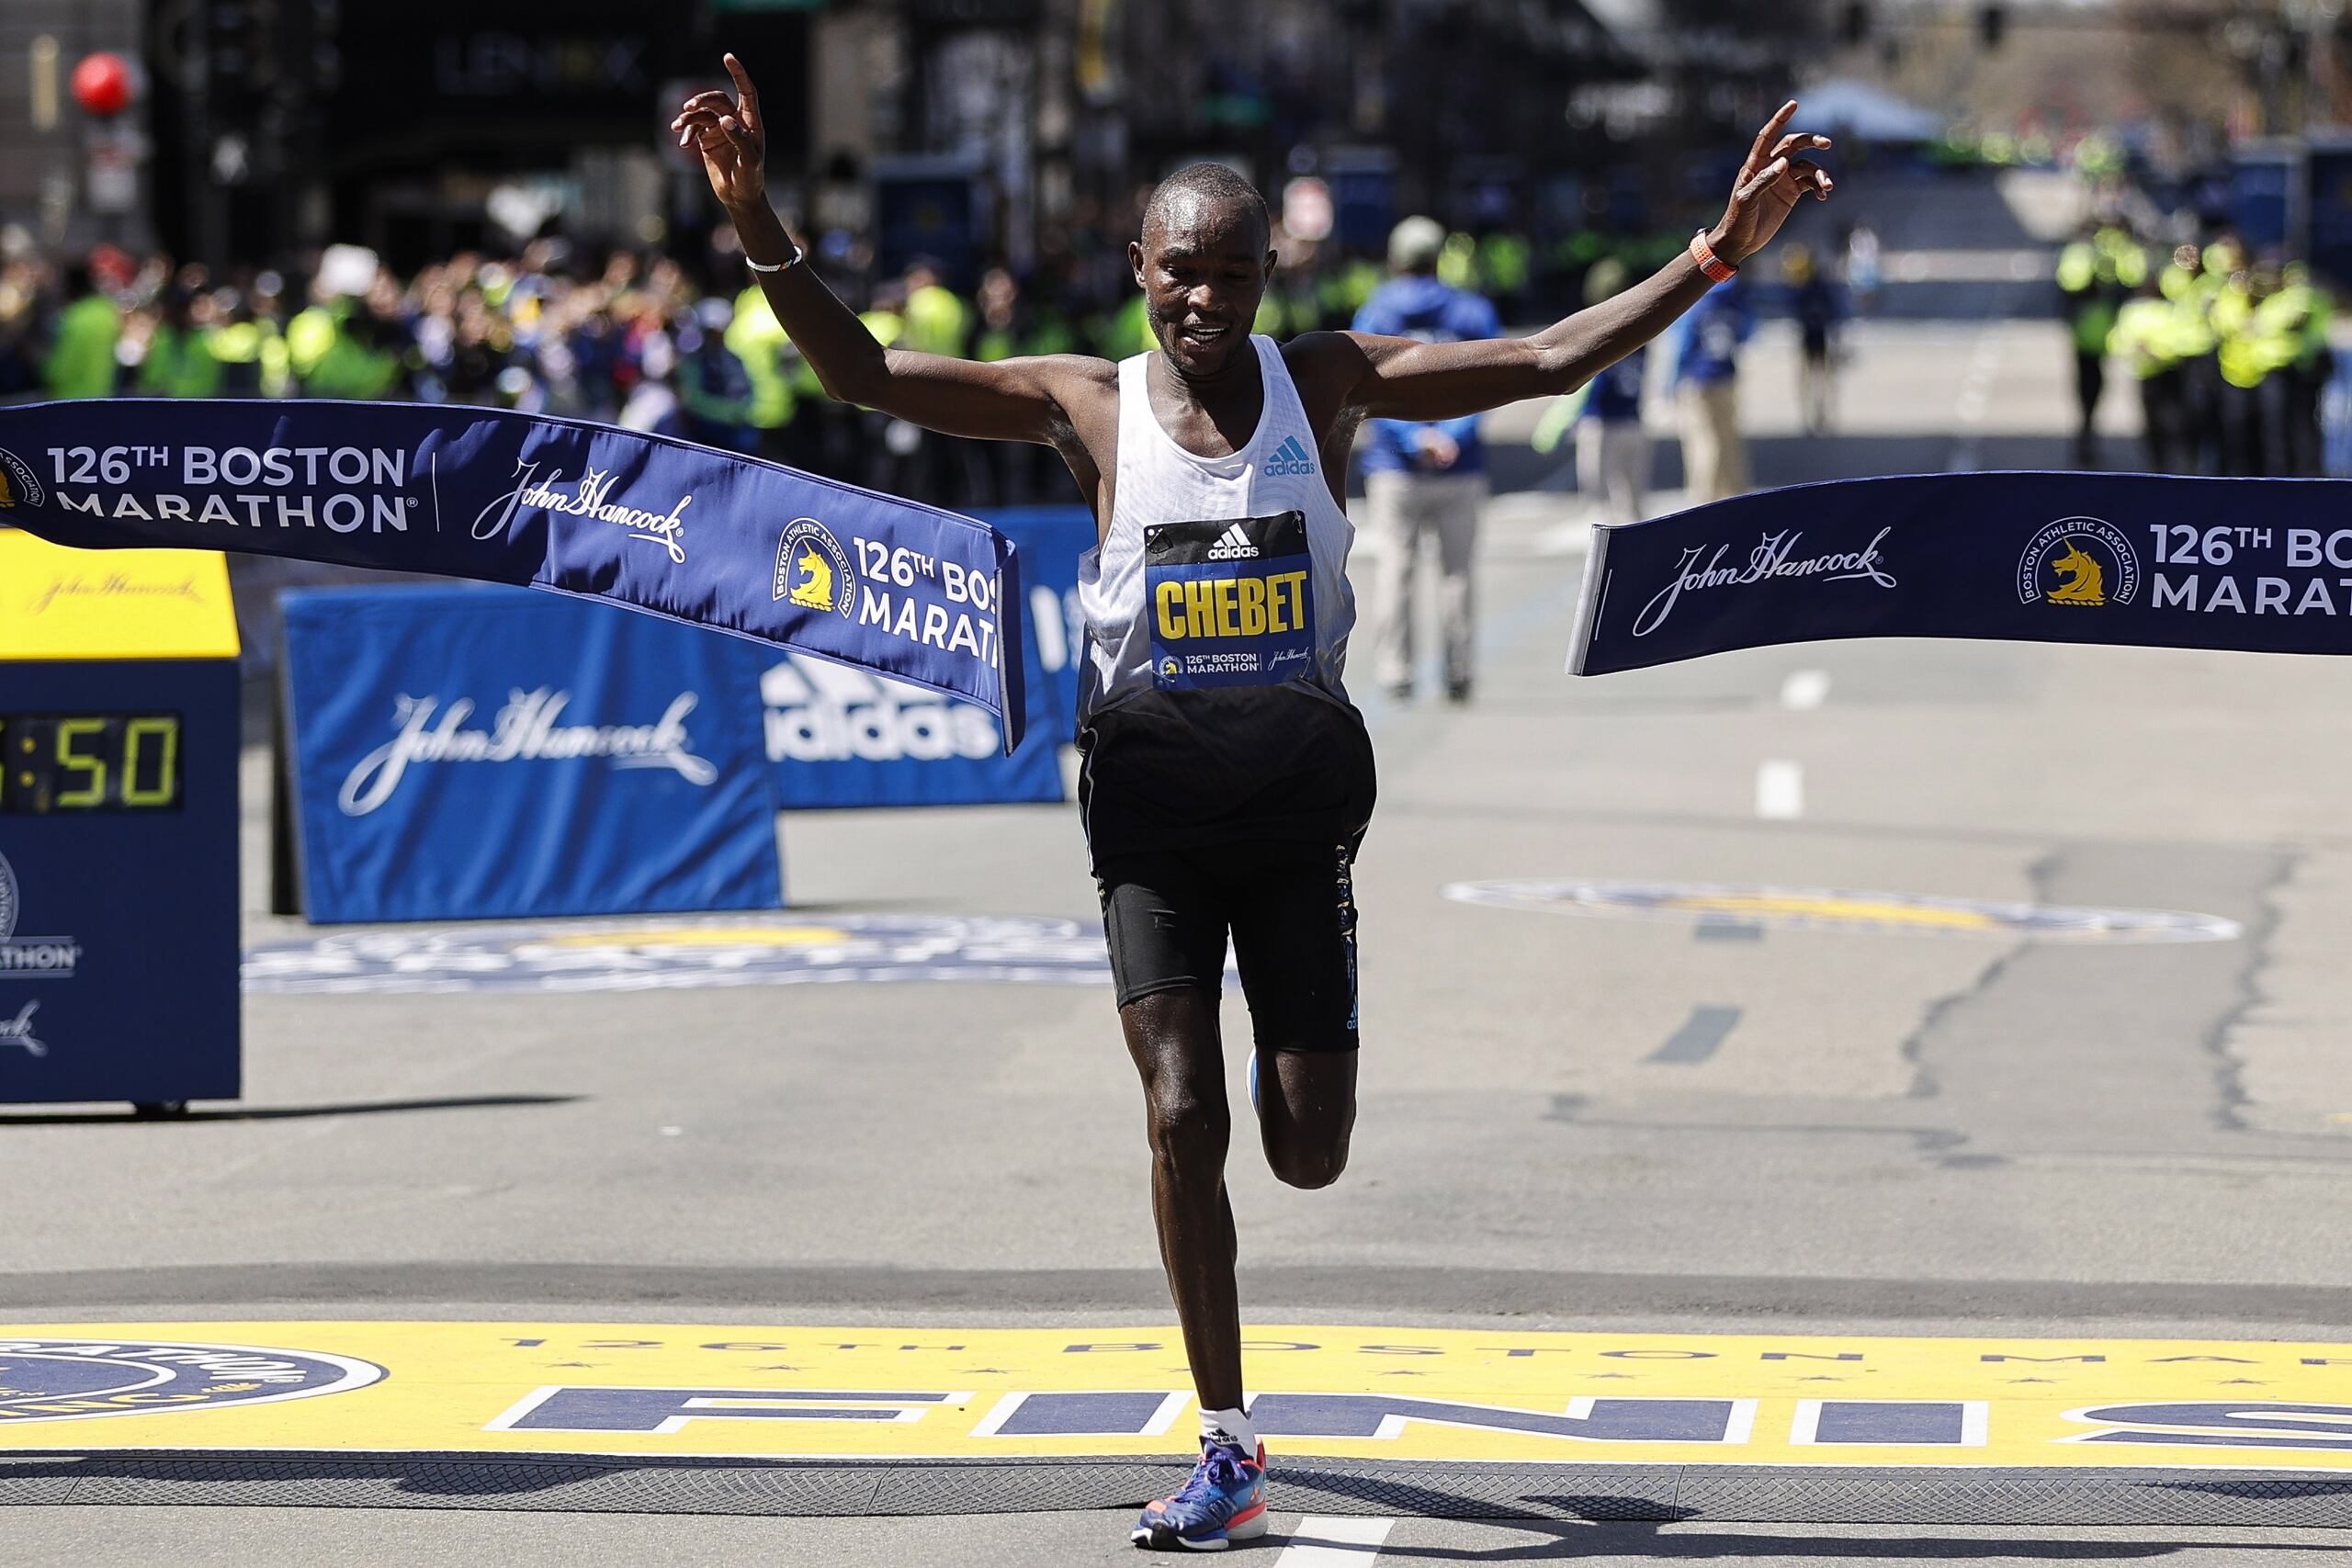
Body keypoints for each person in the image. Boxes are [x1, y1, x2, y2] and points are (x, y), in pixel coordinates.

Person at [674, 55, 1832, 1553]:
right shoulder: (1083, 407)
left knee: (1307, 1146)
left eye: (1229, 276)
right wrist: (760, 217)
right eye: (1177, 278)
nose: (1203, 305)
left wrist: (1712, 257)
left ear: (1267, 271)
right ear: (1135, 273)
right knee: (1179, 1112)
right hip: (1149, 805)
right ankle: (1224, 1438)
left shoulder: (1327, 383)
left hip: (1296, 813)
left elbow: (1548, 361)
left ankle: (1283, 1167)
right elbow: (865, 378)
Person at [1351, 215, 1503, 705]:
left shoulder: (1375, 314)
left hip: (1395, 468)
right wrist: (1450, 434)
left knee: (1396, 569)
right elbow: (1497, 381)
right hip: (1461, 467)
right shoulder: (1470, 311)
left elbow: (1360, 391)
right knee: (1457, 573)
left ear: (1395, 260)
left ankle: (1397, 671)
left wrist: (1415, 439)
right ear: (1439, 258)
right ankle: (1458, 671)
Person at [1668, 266, 1752, 503]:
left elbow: (1683, 347)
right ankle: (1735, 497)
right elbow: (1747, 334)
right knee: (1729, 442)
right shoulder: (1735, 304)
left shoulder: (1696, 305)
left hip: (1698, 381)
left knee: (1703, 445)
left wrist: (1672, 384)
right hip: (1726, 376)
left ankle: (1703, 500)